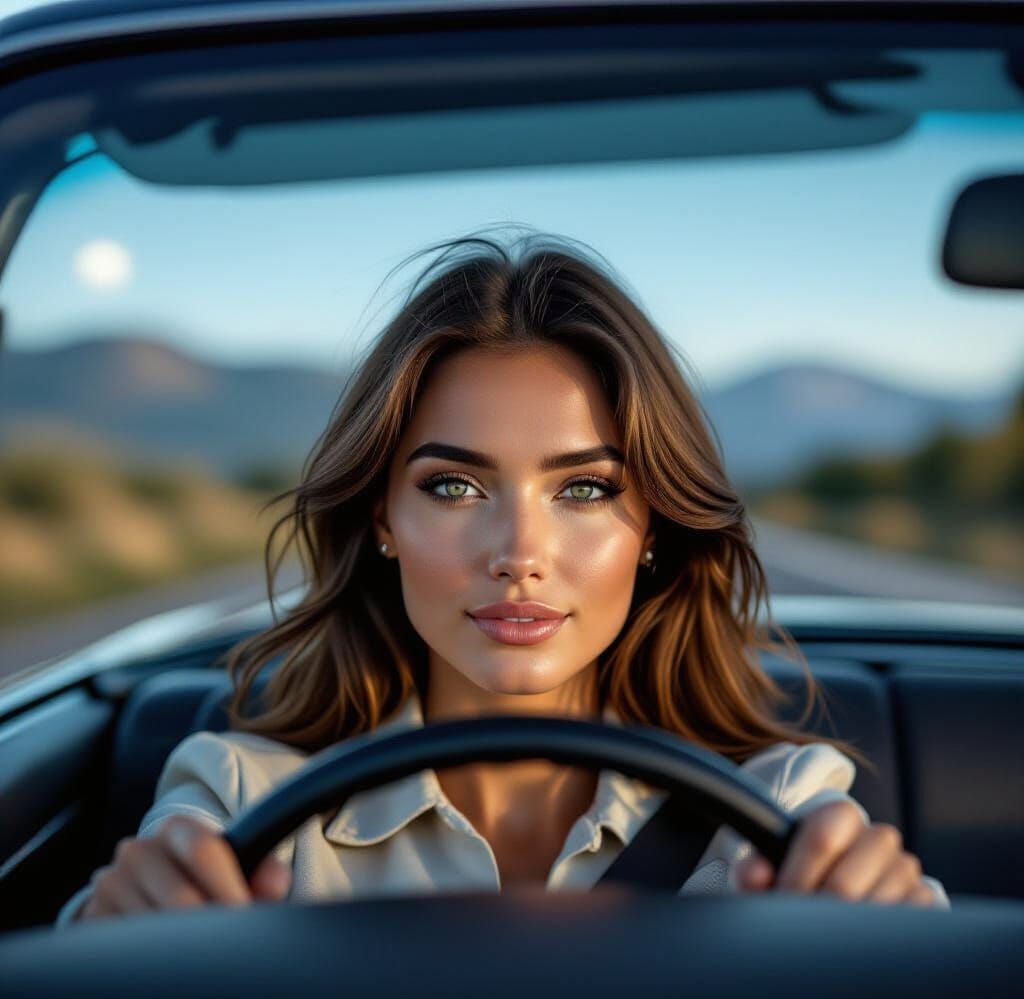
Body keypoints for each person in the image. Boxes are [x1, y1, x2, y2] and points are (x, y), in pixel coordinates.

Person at [55, 230, 949, 926]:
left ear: (653, 528)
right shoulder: (238, 801)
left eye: (585, 489)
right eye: (454, 486)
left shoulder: (781, 812)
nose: (519, 552)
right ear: (381, 519)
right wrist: (117, 932)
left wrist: (899, 943)